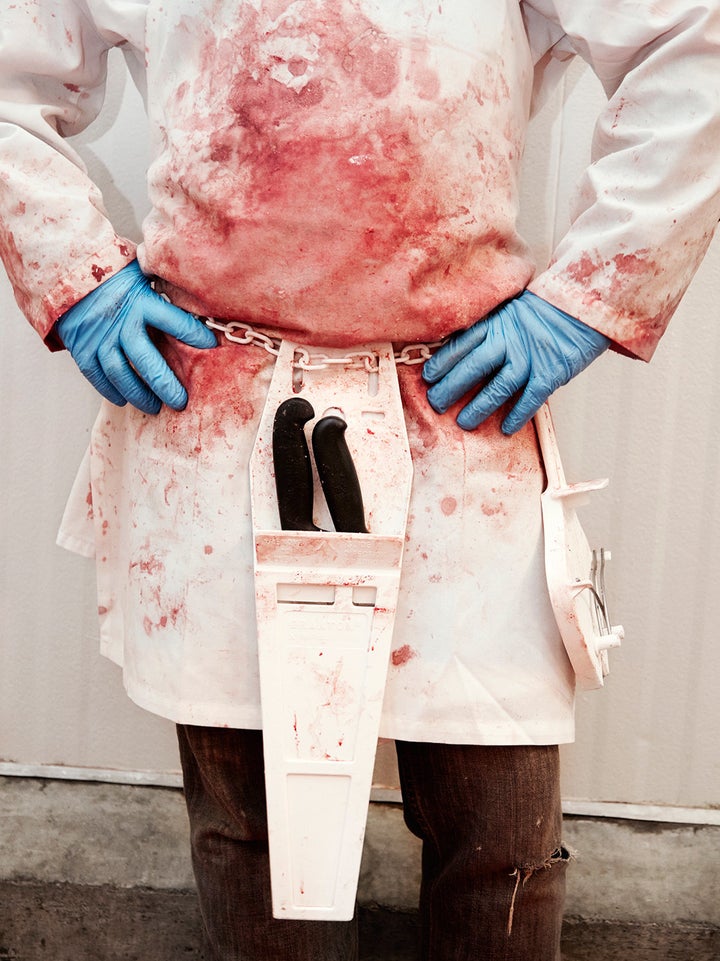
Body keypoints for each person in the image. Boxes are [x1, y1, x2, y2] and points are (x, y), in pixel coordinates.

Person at [1, 2, 719, 959]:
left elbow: (691, 45)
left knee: (498, 829)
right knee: (252, 821)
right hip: (215, 406)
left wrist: (589, 298)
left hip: (460, 408)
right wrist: (74, 274)